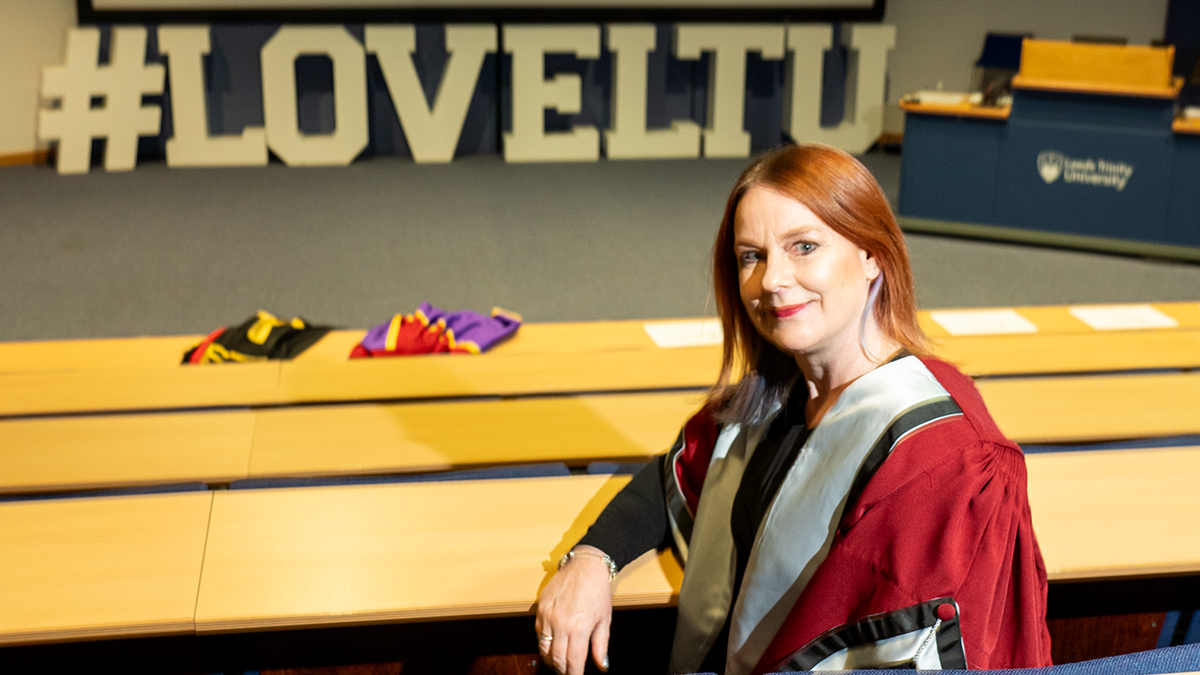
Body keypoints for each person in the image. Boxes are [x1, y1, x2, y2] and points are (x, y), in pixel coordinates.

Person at [535, 144, 1053, 675]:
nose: (772, 280)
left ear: (872, 254)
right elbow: (676, 475)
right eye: (751, 256)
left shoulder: (945, 458)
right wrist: (592, 559)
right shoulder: (775, 395)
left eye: (804, 247)